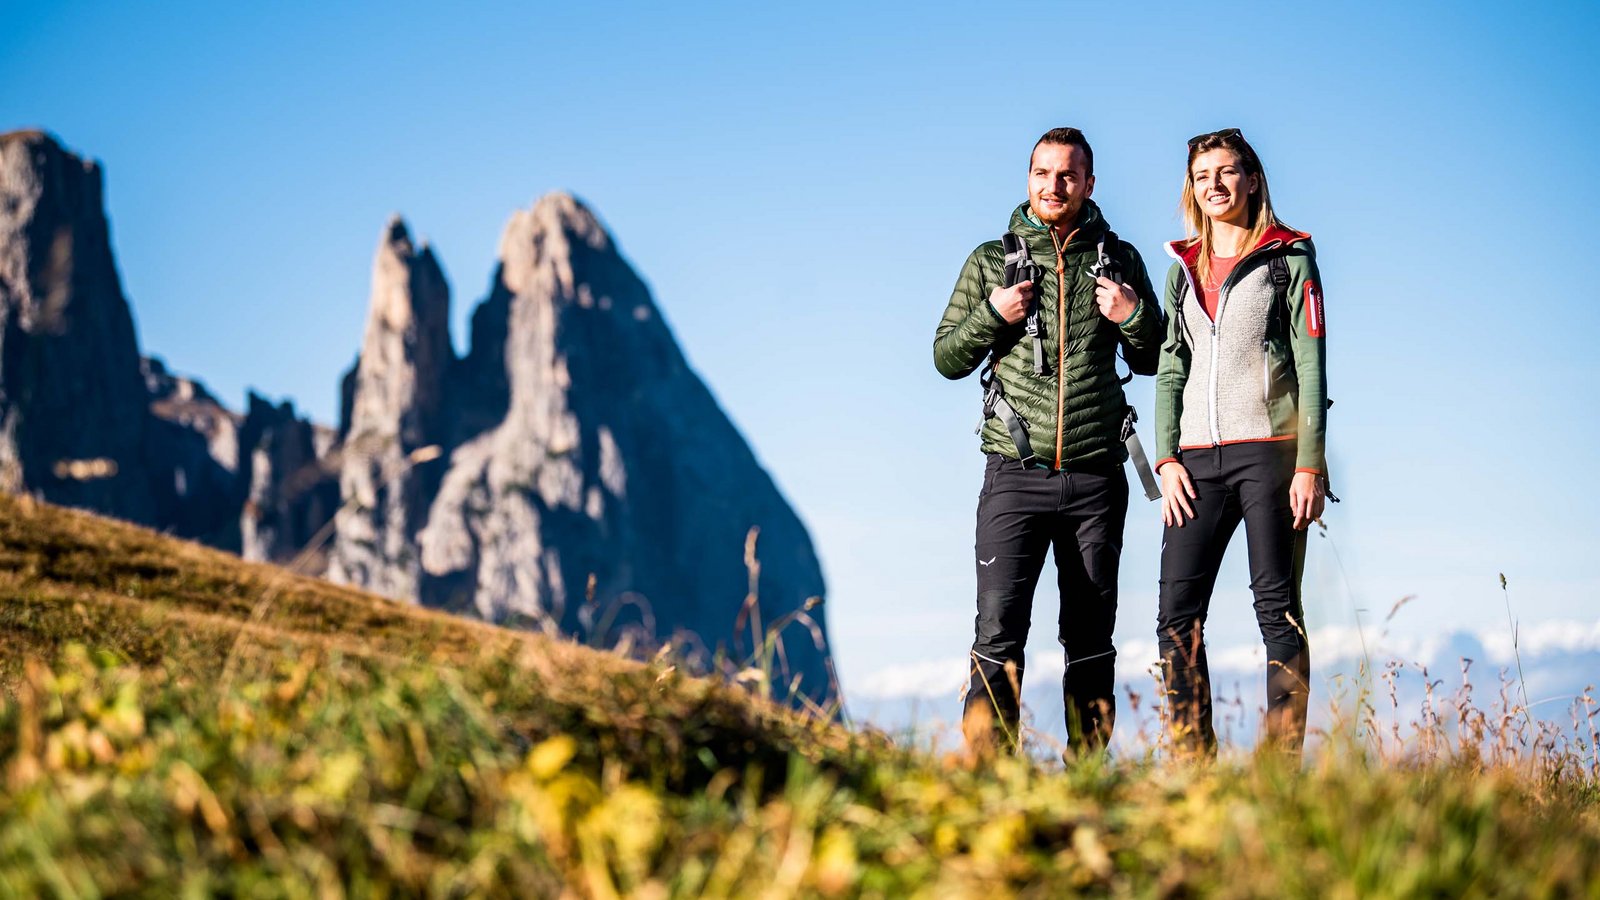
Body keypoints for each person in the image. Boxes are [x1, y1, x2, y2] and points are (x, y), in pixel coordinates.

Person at [934, 127, 1163, 755]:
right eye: (1042, 173)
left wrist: (1132, 314)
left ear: (1089, 184)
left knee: (1090, 636)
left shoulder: (1118, 257)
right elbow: (945, 357)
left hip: (1096, 479)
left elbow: (1152, 358)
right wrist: (992, 315)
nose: (1053, 186)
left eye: (1068, 175)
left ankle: (1087, 773)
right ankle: (987, 774)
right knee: (998, 633)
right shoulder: (990, 260)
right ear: (1028, 179)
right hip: (1013, 472)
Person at [1152, 128, 1330, 756]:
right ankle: (1192, 767)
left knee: (1276, 611)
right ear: (1191, 189)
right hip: (1194, 464)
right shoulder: (1183, 268)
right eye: (1203, 177)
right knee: (1176, 620)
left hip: (1271, 454)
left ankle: (1278, 774)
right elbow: (1171, 365)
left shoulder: (1290, 257)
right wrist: (1165, 457)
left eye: (1227, 173)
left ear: (1252, 178)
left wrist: (1310, 463)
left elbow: (1312, 366)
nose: (1215, 186)